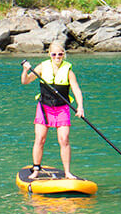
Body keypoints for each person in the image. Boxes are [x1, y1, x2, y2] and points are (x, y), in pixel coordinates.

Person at [21, 41, 85, 180]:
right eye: (54, 54)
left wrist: (80, 106)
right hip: (44, 108)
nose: (57, 57)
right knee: (40, 139)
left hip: (62, 108)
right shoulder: (42, 67)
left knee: (64, 139)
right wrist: (25, 70)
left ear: (64, 55)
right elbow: (25, 81)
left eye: (60, 54)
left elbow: (76, 90)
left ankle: (67, 172)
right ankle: (36, 170)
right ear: (49, 54)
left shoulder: (68, 71)